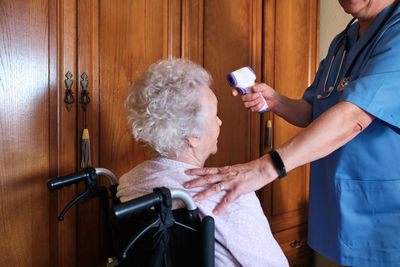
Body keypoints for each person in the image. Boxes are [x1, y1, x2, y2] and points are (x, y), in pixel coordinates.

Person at [183, 1, 400, 266]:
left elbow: (353, 116)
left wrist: (265, 167)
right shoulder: (342, 43)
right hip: (333, 210)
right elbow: (315, 109)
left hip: (380, 214)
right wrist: (276, 101)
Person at [117, 58, 289, 267]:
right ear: (192, 136)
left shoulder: (128, 183)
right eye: (215, 115)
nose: (220, 122)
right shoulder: (231, 194)